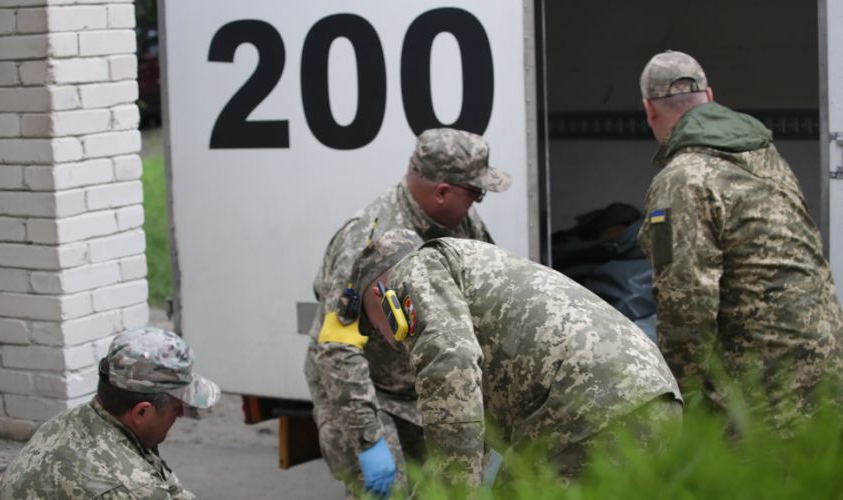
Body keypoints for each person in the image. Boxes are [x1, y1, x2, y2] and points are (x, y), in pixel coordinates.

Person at [352, 229, 682, 492]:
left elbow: (449, 372)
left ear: (381, 295)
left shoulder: (413, 270)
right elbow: (472, 423)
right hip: (655, 402)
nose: (387, 339)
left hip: (590, 416)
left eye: (376, 327)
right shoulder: (472, 266)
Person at [638, 50, 843, 432]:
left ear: (649, 110)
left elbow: (686, 304)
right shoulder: (765, 156)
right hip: (827, 367)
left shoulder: (682, 180)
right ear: (710, 97)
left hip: (764, 389)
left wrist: (673, 396)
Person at [304, 128, 512, 498]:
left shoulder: (462, 225)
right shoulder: (366, 242)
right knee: (391, 491)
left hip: (420, 386)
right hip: (364, 390)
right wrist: (369, 440)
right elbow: (338, 348)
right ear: (442, 191)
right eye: (475, 192)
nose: (477, 202)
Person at [0, 327, 221, 500]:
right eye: (176, 406)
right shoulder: (130, 489)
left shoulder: (69, 421)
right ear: (141, 412)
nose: (180, 414)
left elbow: (173, 490)